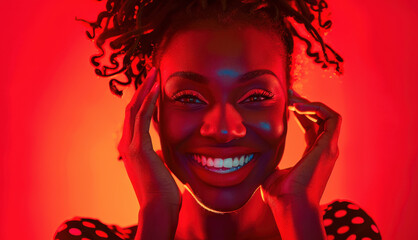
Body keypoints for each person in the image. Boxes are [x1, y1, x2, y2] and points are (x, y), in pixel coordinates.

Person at [55, 0, 382, 239]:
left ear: (288, 107)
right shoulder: (86, 237)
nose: (224, 129)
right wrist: (156, 214)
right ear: (152, 111)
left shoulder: (340, 231)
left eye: (255, 97)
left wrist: (299, 218)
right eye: (188, 98)